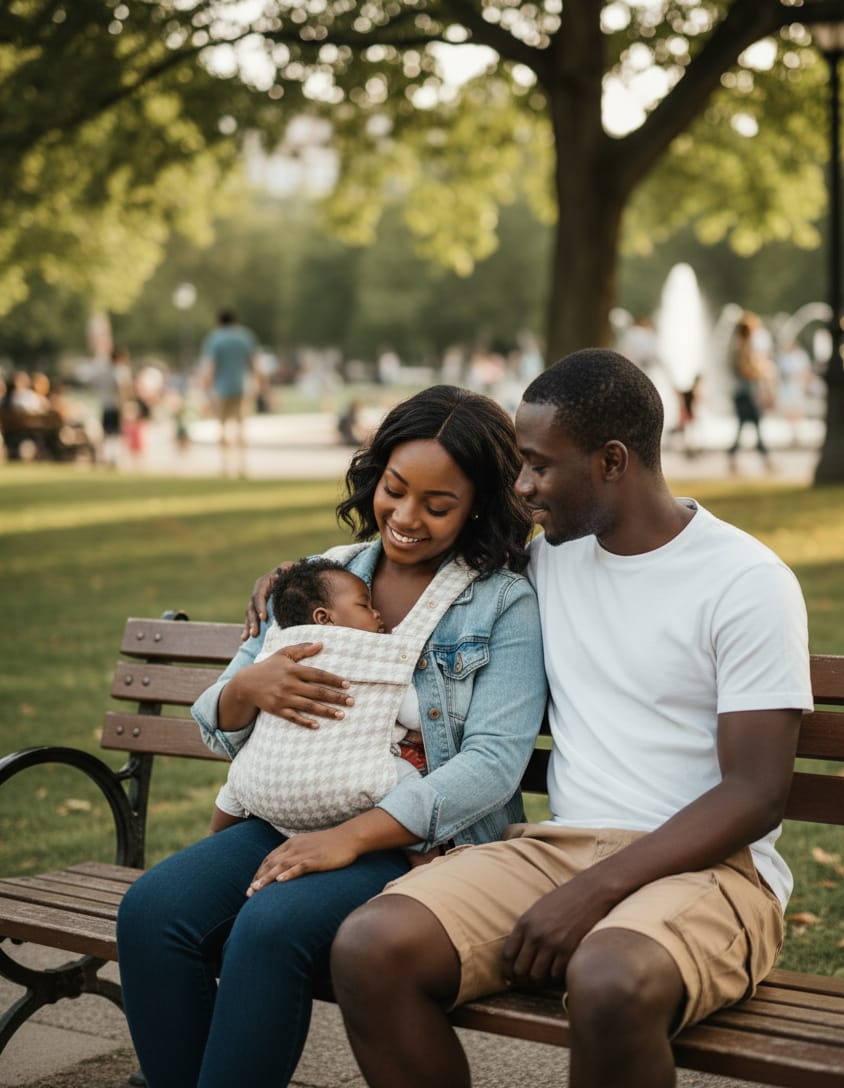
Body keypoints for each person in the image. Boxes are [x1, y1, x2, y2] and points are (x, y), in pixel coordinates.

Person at [330, 349, 813, 1088]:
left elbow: (755, 793)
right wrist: (295, 585)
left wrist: (597, 890)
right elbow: (411, 567)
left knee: (609, 979)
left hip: (716, 871)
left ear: (612, 461)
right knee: (372, 945)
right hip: (554, 852)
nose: (521, 488)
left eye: (538, 466)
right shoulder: (547, 563)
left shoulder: (745, 582)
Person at [116, 385, 547, 1088]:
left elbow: (493, 767)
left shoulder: (501, 602)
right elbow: (218, 728)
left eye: (438, 506)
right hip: (291, 811)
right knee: (151, 912)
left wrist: (350, 837)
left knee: (269, 927)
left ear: (478, 506)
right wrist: (243, 693)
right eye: (395, 489)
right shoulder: (321, 574)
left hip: (418, 844)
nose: (406, 518)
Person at [209, 558, 427, 835]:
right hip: (351, 778)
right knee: (410, 788)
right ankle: (425, 855)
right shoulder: (375, 658)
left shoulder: (278, 648)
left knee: (234, 785)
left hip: (267, 780)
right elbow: (413, 713)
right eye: (365, 606)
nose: (377, 614)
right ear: (324, 618)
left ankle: (212, 836)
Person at [199, 308, 262, 475]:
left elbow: (211, 367)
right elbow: (254, 365)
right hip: (242, 387)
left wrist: (205, 388)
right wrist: (261, 386)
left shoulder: (214, 339)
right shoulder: (245, 337)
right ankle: (242, 465)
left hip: (221, 389)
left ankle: (225, 465)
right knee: (241, 427)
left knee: (222, 428)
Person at [727, 312, 775, 472]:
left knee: (747, 425)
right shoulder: (742, 347)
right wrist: (762, 374)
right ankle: (765, 457)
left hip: (744, 392)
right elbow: (744, 370)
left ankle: (734, 455)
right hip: (745, 393)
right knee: (755, 424)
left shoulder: (740, 346)